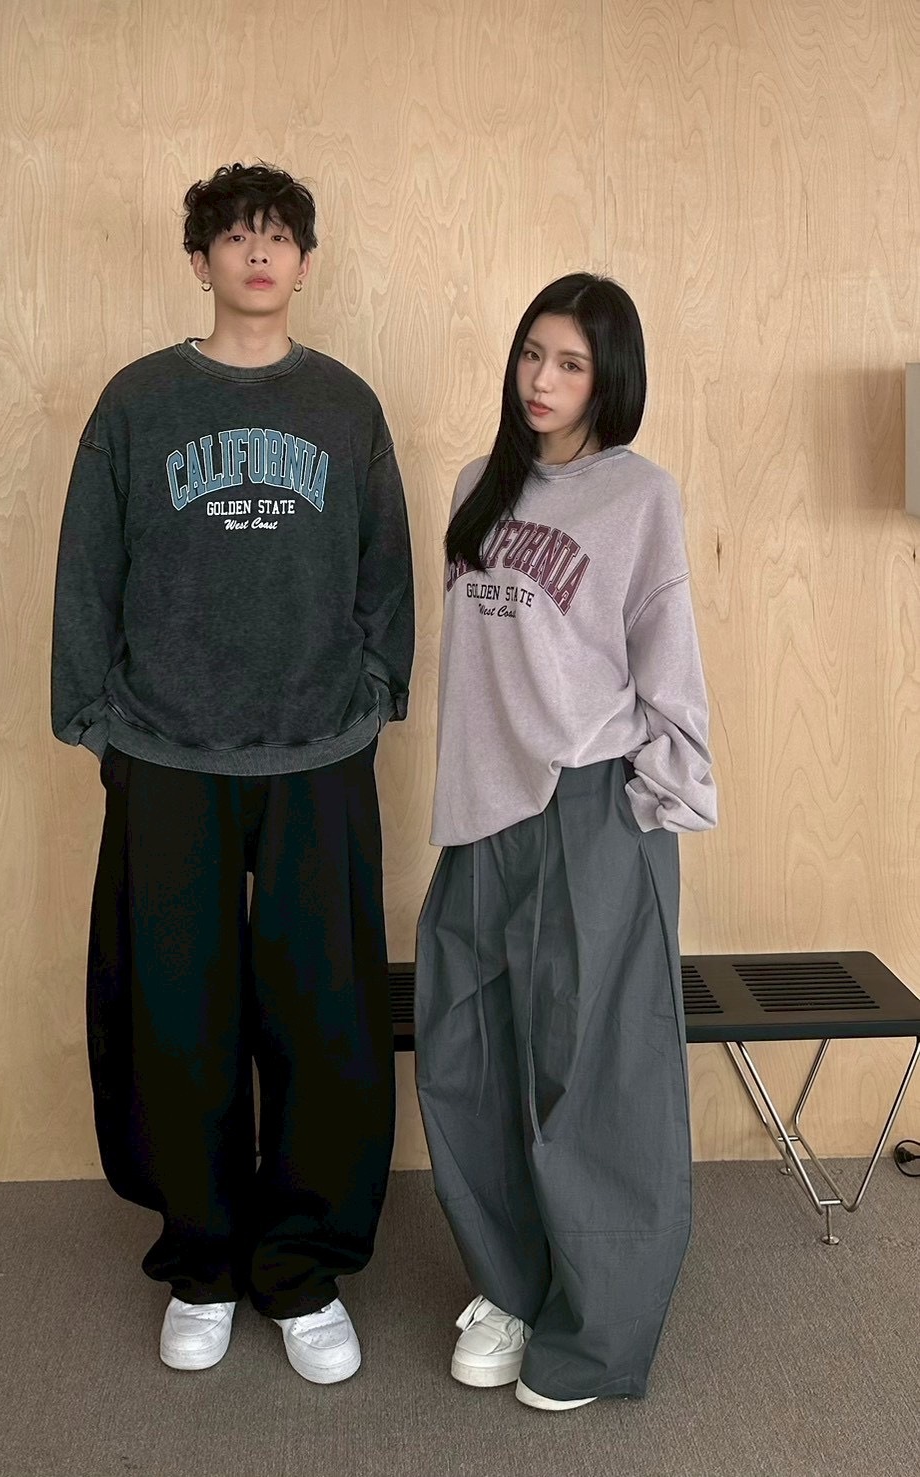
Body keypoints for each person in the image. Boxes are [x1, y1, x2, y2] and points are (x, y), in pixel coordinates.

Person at [51, 162, 414, 1385]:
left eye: (278, 237)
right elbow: (87, 566)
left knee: (323, 1009)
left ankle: (300, 1269)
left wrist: (375, 695)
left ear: (305, 261)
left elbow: (385, 572)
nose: (258, 254)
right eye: (234, 236)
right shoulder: (138, 401)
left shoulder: (345, 406)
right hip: (167, 748)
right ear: (199, 259)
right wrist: (95, 716)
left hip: (317, 749)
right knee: (178, 1007)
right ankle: (202, 1259)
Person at [415, 273, 716, 1411]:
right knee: (469, 1056)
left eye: (571, 363)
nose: (541, 380)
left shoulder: (638, 495)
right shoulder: (475, 488)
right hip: (481, 812)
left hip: (592, 805)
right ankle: (510, 1285)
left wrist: (657, 792)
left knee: (595, 1076)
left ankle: (594, 1334)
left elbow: (665, 649)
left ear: (610, 378)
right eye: (531, 354)